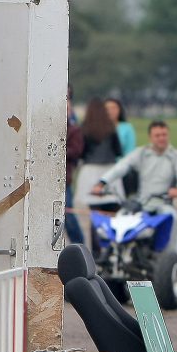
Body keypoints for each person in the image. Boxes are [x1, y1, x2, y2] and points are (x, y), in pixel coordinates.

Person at [91, 120, 177, 239]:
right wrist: (102, 183)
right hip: (141, 203)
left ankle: (167, 253)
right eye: (157, 135)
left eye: (164, 135)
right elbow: (121, 167)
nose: (161, 138)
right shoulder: (141, 153)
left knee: (171, 216)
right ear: (150, 137)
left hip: (162, 203)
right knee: (120, 217)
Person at [75, 98, 125, 246]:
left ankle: (97, 251)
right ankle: (112, 246)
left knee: (95, 217)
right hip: (109, 171)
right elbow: (118, 150)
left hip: (90, 171)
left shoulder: (84, 128)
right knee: (112, 214)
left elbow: (81, 152)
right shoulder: (111, 128)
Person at [105, 97, 139, 195]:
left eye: (114, 108)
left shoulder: (126, 128)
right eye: (108, 108)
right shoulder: (99, 129)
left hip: (120, 169)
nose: (111, 111)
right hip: (103, 167)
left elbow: (129, 151)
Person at [64, 90, 84, 245]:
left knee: (68, 213)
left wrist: (60, 151)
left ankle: (79, 243)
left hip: (65, 178)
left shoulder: (74, 130)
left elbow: (76, 150)